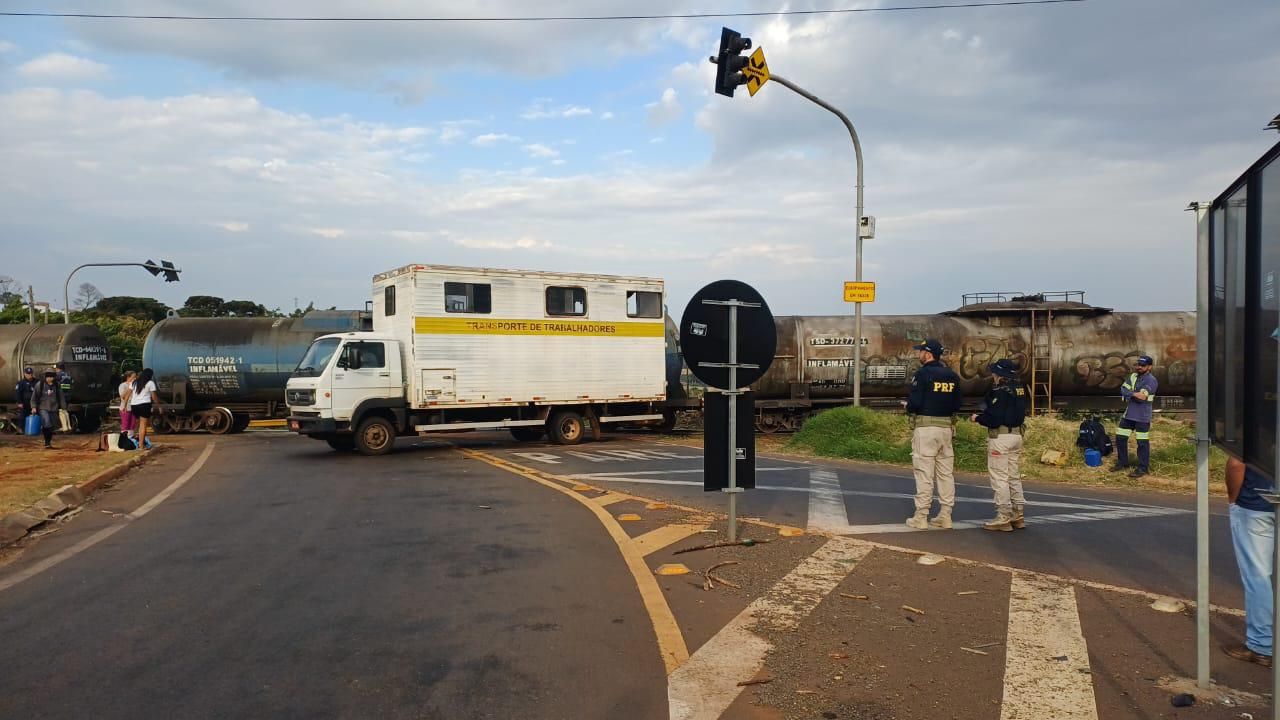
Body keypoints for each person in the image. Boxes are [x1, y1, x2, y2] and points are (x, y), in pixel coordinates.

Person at [903, 338, 964, 529]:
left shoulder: (922, 374)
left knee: (924, 473)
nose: (918, 354)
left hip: (926, 429)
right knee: (945, 474)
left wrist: (908, 405)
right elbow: (957, 404)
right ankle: (945, 515)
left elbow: (915, 403)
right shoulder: (952, 376)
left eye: (920, 351)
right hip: (946, 428)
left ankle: (921, 516)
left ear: (928, 354)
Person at [1223, 457, 1275, 668]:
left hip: (1257, 505)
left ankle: (1261, 646)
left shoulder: (1257, 422)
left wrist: (1233, 500)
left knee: (1258, 577)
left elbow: (1236, 464)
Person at [970, 358, 1029, 532]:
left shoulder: (1000, 392)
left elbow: (993, 418)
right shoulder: (1020, 389)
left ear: (1000, 374)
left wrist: (978, 418)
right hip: (1017, 436)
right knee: (1013, 476)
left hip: (1001, 438)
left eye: (994, 372)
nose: (993, 375)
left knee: (1000, 477)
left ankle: (1003, 516)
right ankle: (1018, 515)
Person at [1111, 354, 1159, 478]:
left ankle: (1143, 468)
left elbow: (1142, 396)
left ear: (1149, 367)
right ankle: (1123, 463)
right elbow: (1123, 389)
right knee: (1120, 438)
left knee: (1142, 443)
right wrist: (1133, 394)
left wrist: (1129, 394)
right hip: (1129, 415)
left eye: (1142, 365)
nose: (1139, 367)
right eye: (1138, 364)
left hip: (1142, 417)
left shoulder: (1151, 381)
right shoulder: (1133, 376)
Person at [30, 370, 66, 449]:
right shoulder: (40, 385)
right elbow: (34, 397)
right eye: (48, 377)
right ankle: (47, 442)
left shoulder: (57, 385)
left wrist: (64, 408)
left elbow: (61, 397)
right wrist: (33, 407)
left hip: (53, 408)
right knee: (47, 423)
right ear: (45, 377)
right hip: (43, 408)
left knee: (51, 426)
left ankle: (48, 442)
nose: (49, 379)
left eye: (51, 377)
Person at [130, 368, 161, 450]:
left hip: (134, 405)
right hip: (144, 405)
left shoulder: (134, 382)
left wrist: (125, 404)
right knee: (143, 425)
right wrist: (159, 406)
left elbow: (128, 393)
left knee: (138, 425)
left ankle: (135, 441)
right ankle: (141, 445)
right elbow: (154, 396)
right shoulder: (150, 383)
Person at [118, 370, 137, 441]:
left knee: (132, 424)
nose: (135, 378)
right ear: (128, 377)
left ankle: (130, 439)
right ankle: (123, 439)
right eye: (133, 377)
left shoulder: (135, 385)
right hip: (125, 407)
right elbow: (122, 396)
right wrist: (129, 387)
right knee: (125, 424)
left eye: (135, 377)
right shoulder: (123, 385)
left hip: (134, 407)